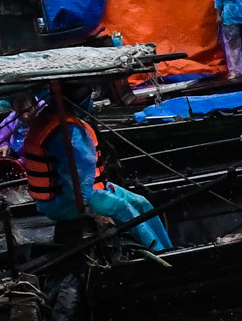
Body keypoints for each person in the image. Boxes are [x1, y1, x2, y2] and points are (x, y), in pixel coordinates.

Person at [22, 88, 173, 252]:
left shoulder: (51, 119)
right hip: (65, 201)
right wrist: (94, 212)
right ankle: (158, 251)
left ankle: (168, 248)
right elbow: (77, 187)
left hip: (73, 194)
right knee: (125, 208)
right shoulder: (70, 132)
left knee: (140, 202)